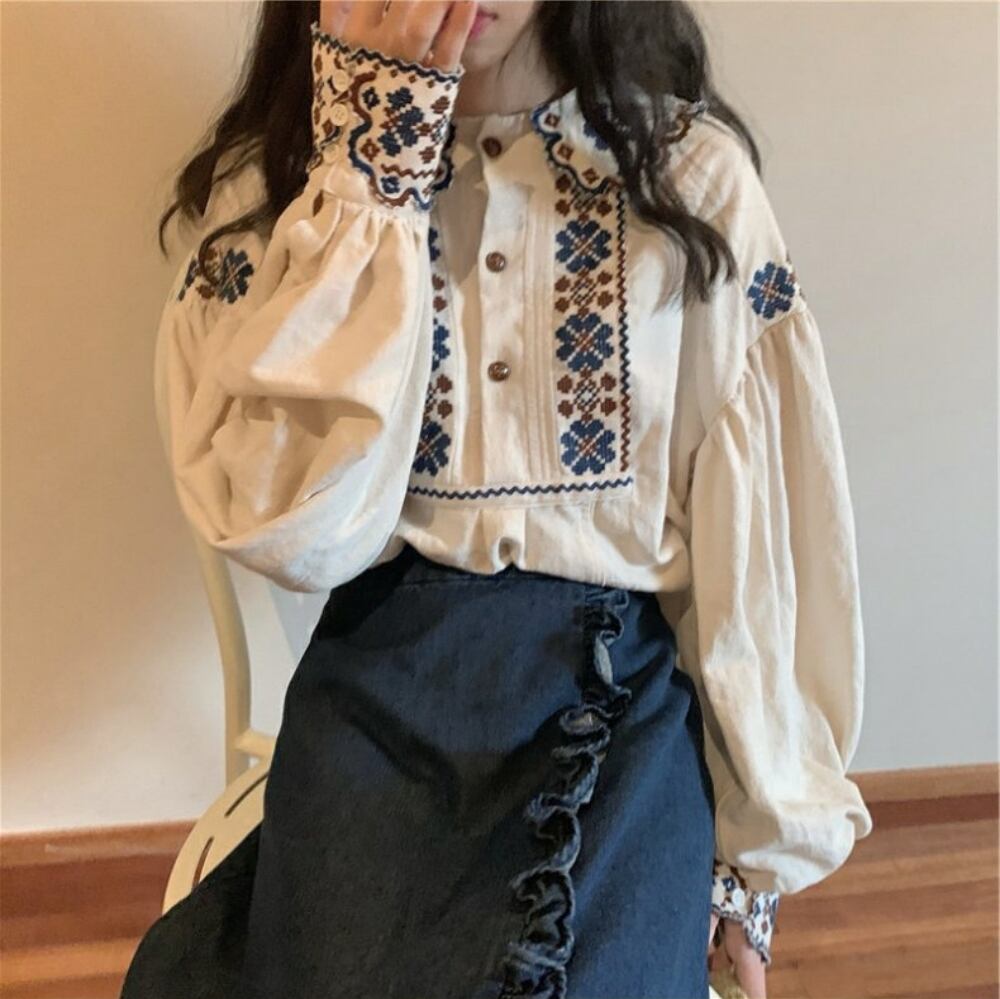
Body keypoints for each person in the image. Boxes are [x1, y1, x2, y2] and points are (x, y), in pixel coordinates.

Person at [122, 1, 874, 997]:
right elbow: (288, 528)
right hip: (378, 700)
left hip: (620, 704)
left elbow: (755, 552)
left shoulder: (687, 182)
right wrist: (371, 173)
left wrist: (752, 864)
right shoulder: (287, 195)